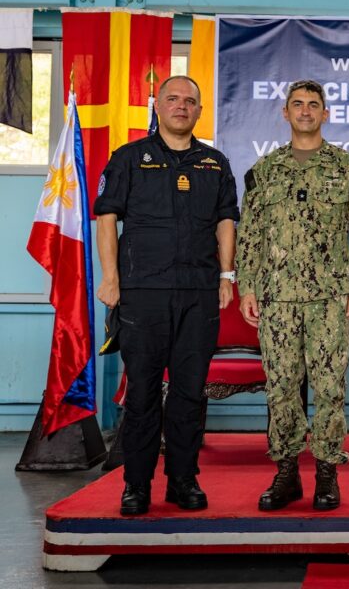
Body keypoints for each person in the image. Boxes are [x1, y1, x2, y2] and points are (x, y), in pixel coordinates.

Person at [94, 75, 239, 515]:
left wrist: (227, 276)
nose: (182, 106)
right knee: (141, 394)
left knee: (189, 394)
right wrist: (111, 278)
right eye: (173, 99)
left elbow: (226, 222)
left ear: (199, 111)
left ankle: (183, 481)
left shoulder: (214, 163)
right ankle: (136, 485)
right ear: (157, 106)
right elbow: (106, 218)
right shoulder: (129, 158)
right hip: (143, 293)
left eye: (190, 101)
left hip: (198, 293)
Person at [237, 80, 349, 511]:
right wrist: (248, 288)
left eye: (314, 104)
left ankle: (328, 474)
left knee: (330, 388)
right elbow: (250, 235)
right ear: (285, 112)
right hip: (277, 298)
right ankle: (287, 473)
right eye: (298, 104)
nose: (306, 111)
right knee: (281, 388)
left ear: (325, 113)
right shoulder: (265, 170)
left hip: (330, 297)